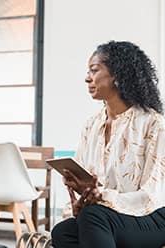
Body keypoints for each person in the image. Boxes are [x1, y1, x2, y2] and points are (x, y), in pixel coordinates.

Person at [51, 40, 165, 248]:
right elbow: (90, 184)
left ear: (117, 76)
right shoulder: (91, 126)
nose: (87, 78)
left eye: (94, 70)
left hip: (153, 217)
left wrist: (102, 197)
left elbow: (152, 195)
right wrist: (81, 197)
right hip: (105, 215)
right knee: (62, 231)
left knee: (93, 217)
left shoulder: (154, 124)